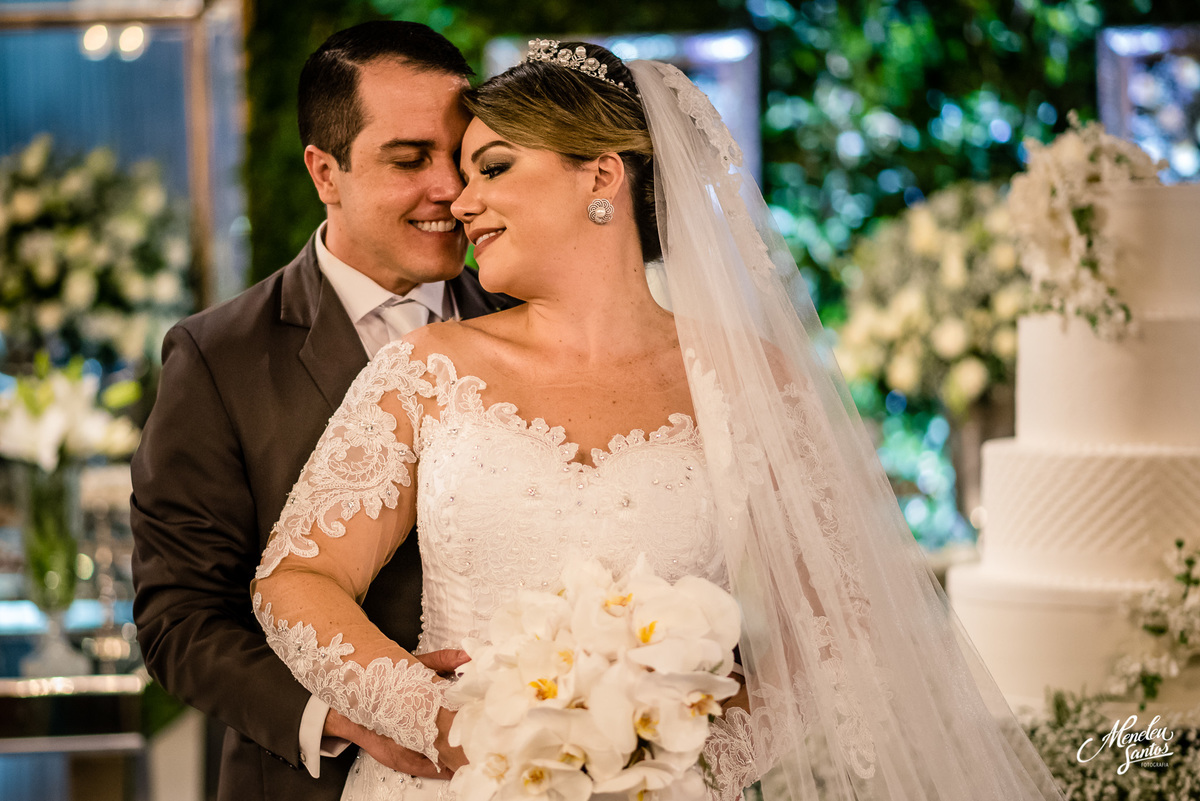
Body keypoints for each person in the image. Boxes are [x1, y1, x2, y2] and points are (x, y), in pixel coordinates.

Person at [251, 40, 1067, 801]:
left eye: (492, 168)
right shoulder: (425, 370)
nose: (462, 203)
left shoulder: (750, 381)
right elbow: (295, 581)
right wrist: (439, 719)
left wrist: (677, 753)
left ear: (600, 175)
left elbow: (837, 621)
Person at [130, 21, 515, 801]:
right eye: (410, 159)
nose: (452, 190)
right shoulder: (217, 357)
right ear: (324, 172)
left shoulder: (529, 319)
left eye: (464, 156)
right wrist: (342, 713)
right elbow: (180, 615)